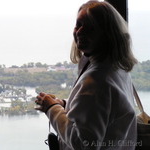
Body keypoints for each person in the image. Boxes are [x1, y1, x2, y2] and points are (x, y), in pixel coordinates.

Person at [35, 1, 138, 150]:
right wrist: (64, 104)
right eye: (78, 24)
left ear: (107, 35)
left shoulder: (97, 81)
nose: (80, 32)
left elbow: (84, 144)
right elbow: (100, 110)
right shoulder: (117, 67)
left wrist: (52, 109)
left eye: (90, 28)